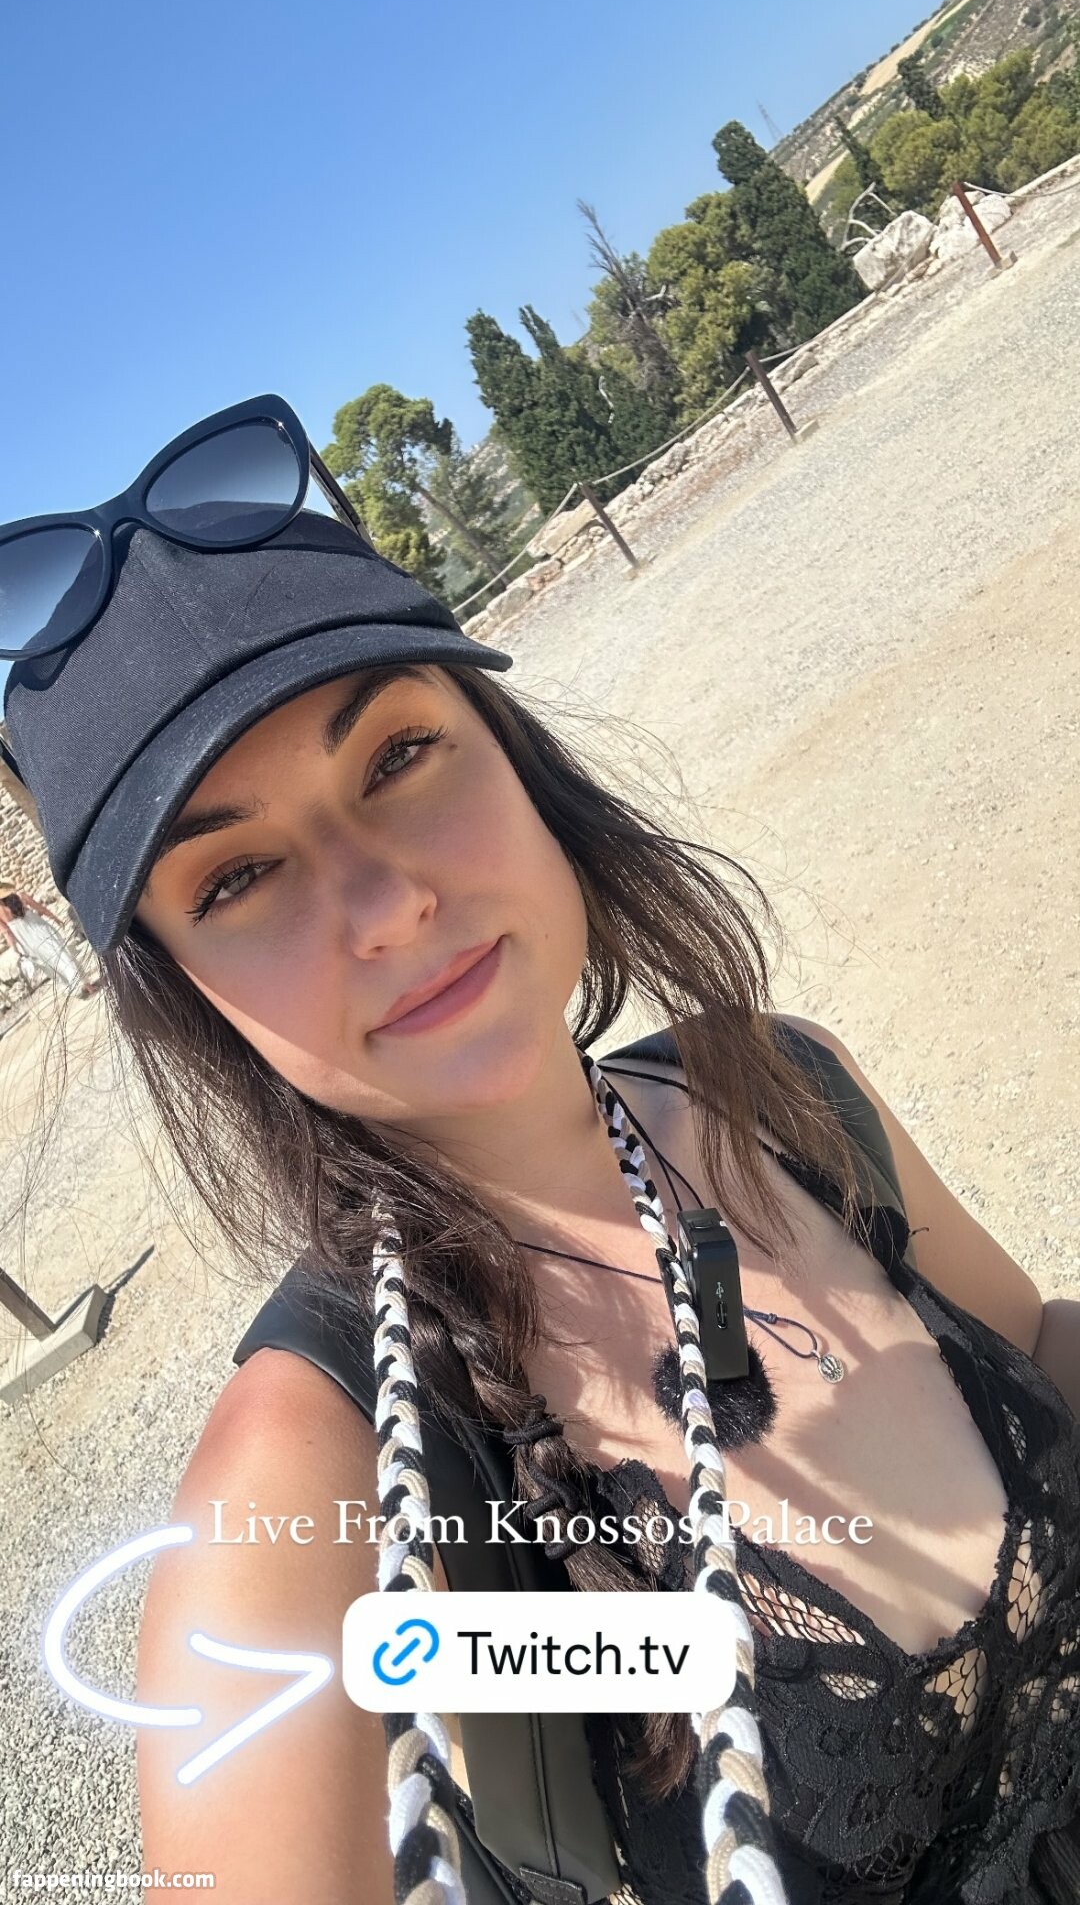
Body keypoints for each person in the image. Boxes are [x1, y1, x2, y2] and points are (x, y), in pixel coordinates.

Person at [4, 397, 1078, 1905]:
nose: (386, 904)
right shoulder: (301, 1490)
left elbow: (1036, 1350)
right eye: (237, 876)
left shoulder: (781, 1083)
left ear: (512, 754)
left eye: (398, 754)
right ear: (189, 996)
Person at [0, 885, 96, 997]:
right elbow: (41, 908)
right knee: (63, 956)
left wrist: (16, 950)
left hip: (28, 943)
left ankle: (73, 986)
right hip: (43, 931)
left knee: (50, 964)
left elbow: (7, 933)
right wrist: (55, 918)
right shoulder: (20, 896)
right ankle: (84, 984)